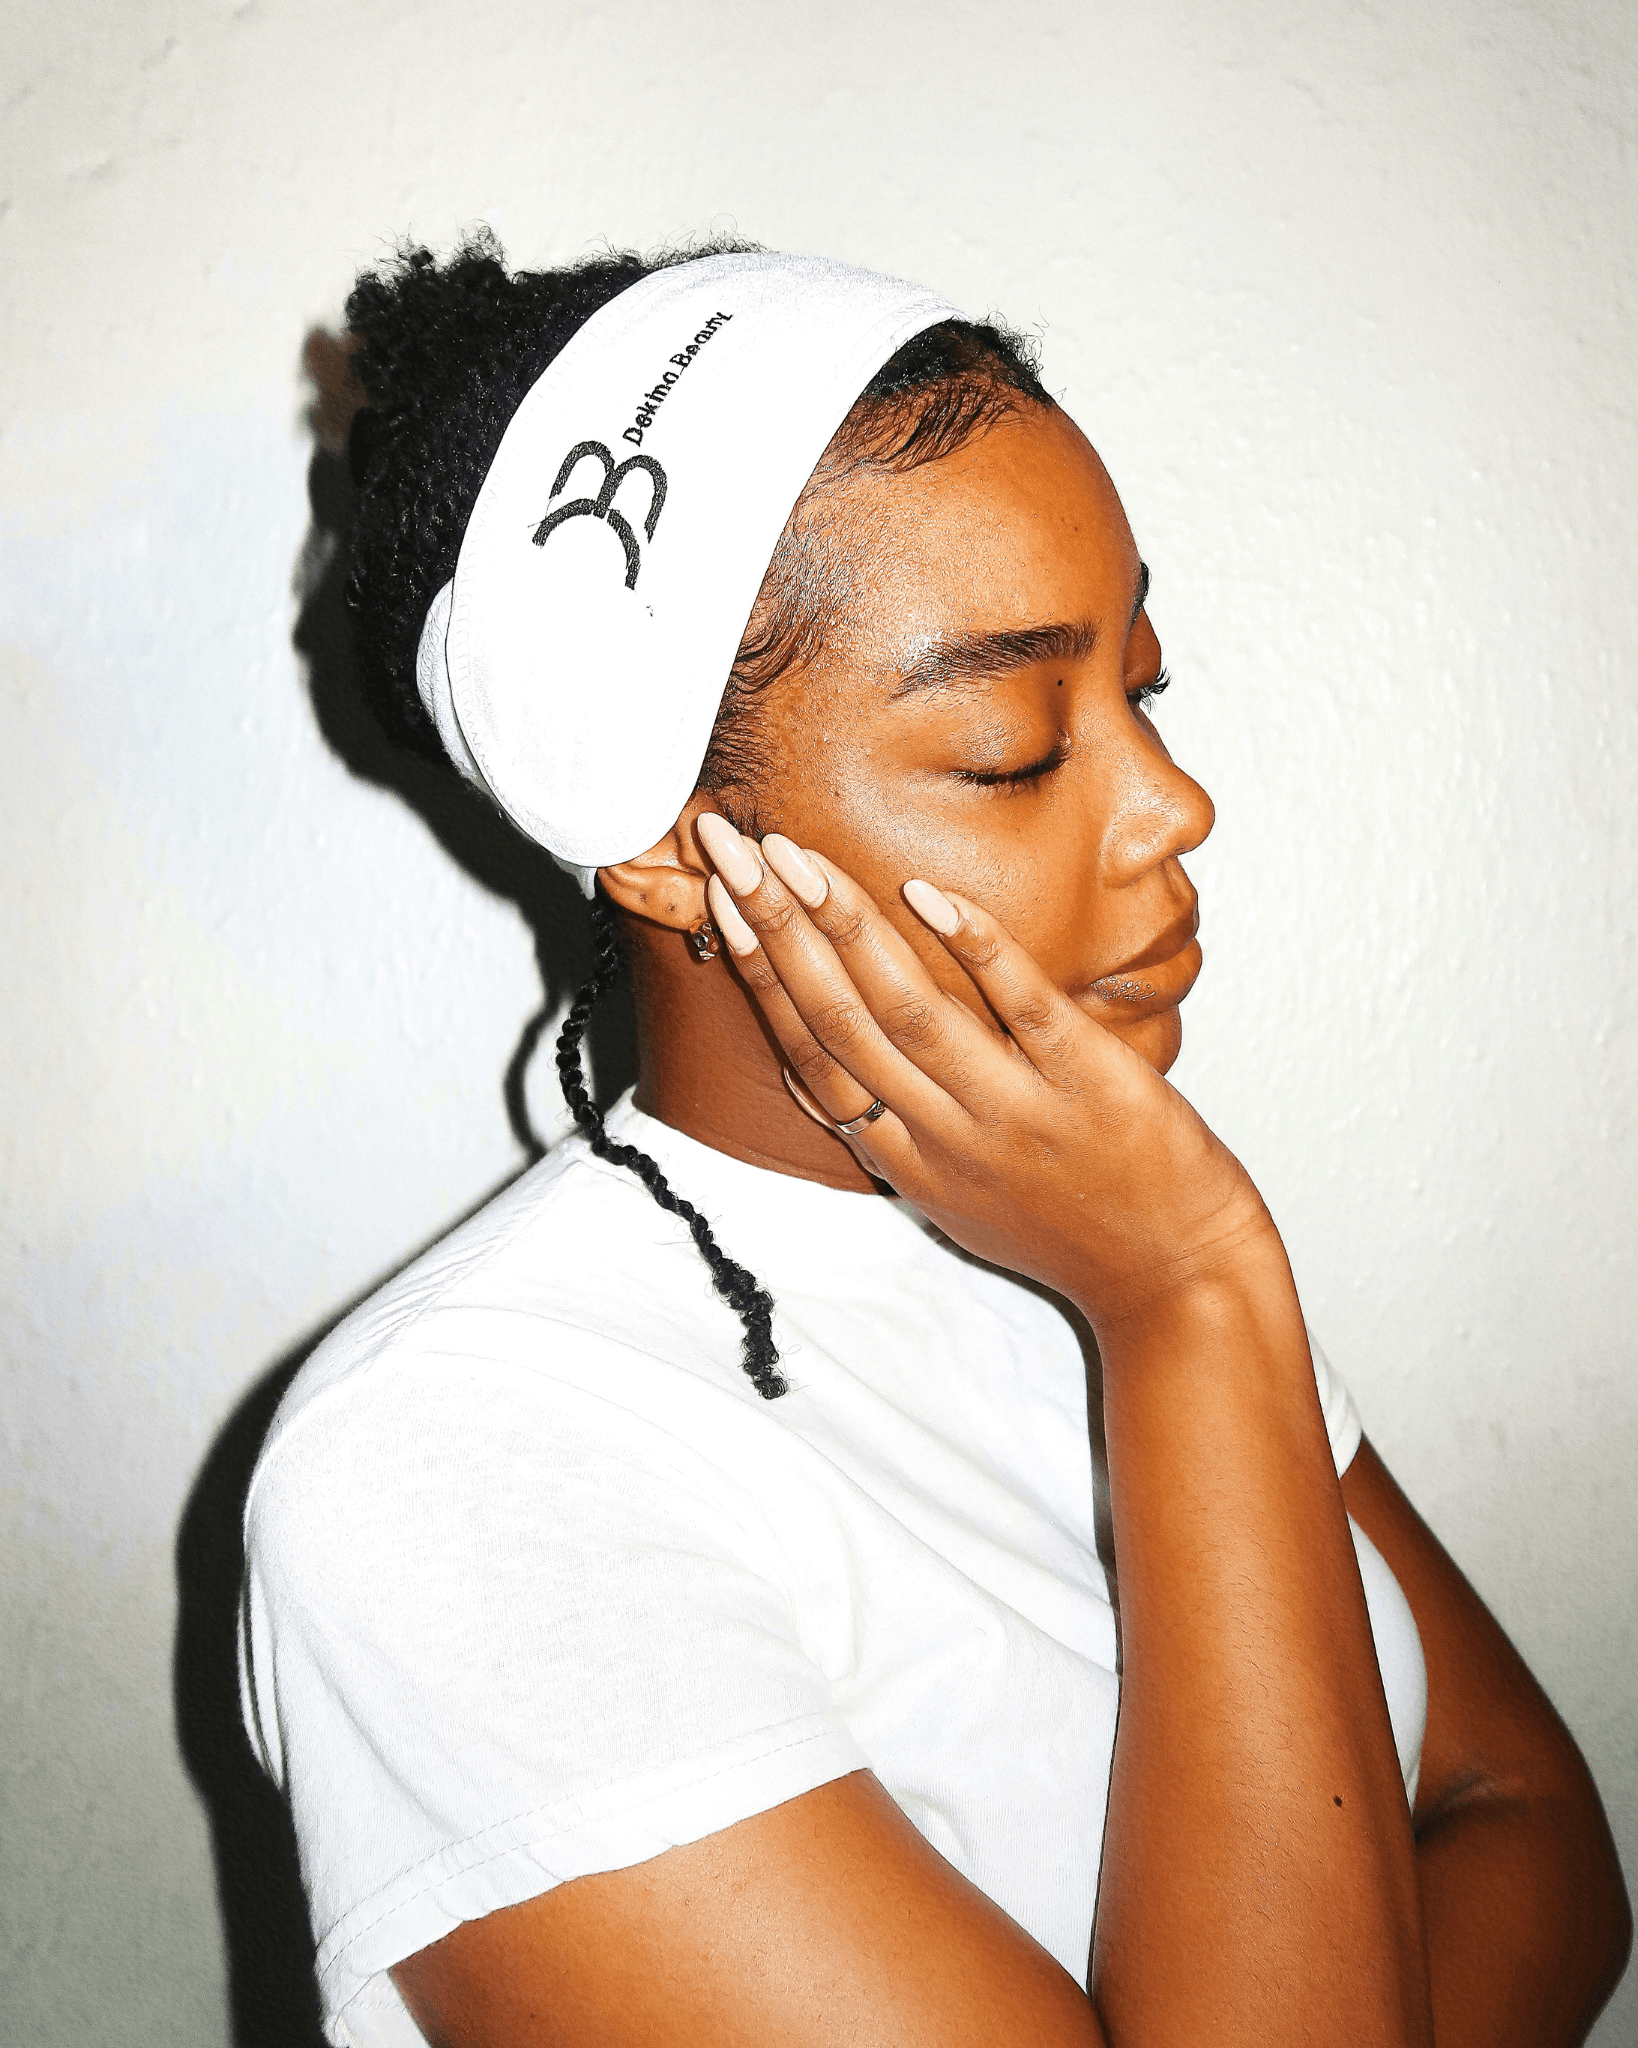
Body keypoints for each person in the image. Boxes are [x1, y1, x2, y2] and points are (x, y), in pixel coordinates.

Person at [239, 234, 1630, 2048]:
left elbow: (1537, 1828)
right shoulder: (453, 1466)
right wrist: (1188, 1304)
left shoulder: (1081, 1213)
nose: (1173, 805)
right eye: (1008, 747)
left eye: (1142, 689)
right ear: (660, 838)